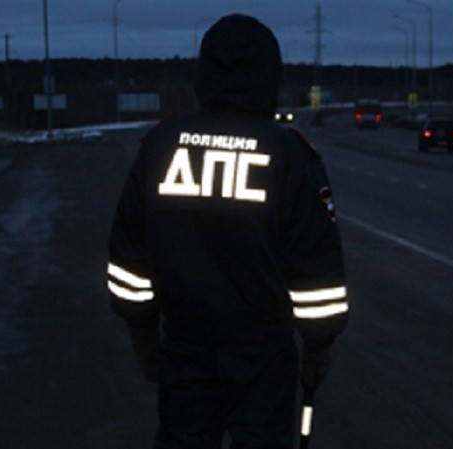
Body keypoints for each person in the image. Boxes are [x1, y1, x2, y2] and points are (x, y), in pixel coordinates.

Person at [106, 14, 348, 449]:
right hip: (263, 351)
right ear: (270, 77)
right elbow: (316, 268)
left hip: (185, 344)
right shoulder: (289, 153)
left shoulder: (161, 145)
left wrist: (142, 333)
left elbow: (129, 259)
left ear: (203, 75)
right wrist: (318, 347)